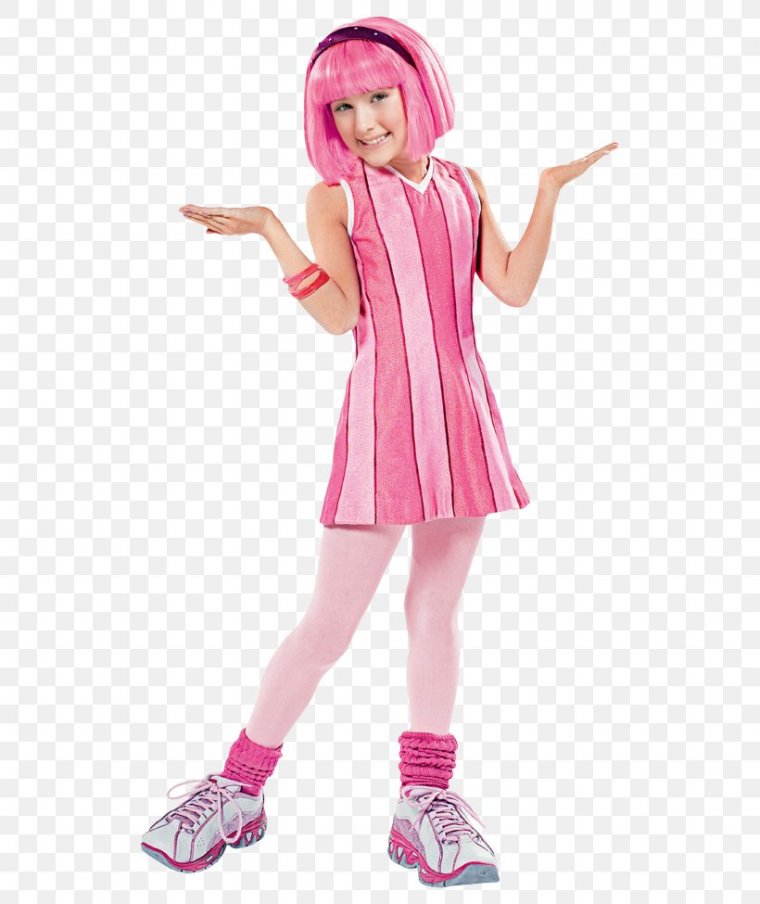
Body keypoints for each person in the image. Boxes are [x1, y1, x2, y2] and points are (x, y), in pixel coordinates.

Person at [141, 15, 618, 886]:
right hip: (381, 427)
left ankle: (423, 800)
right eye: (343, 107)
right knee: (331, 622)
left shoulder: (465, 184)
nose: (364, 121)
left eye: (378, 97)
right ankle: (238, 787)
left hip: (464, 420)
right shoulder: (339, 197)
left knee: (435, 610)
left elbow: (511, 288)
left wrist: (549, 192)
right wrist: (274, 231)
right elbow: (338, 318)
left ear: (416, 92)